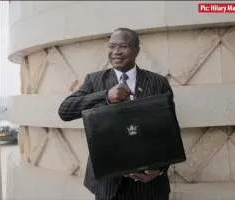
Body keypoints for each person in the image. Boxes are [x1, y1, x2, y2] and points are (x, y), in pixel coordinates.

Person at [58, 28, 179, 200]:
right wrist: (106, 96)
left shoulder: (158, 82)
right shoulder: (94, 80)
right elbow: (65, 110)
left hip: (149, 186)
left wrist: (160, 170)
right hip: (108, 186)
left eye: (124, 46)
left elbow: (170, 131)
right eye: (112, 46)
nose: (116, 52)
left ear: (137, 50)